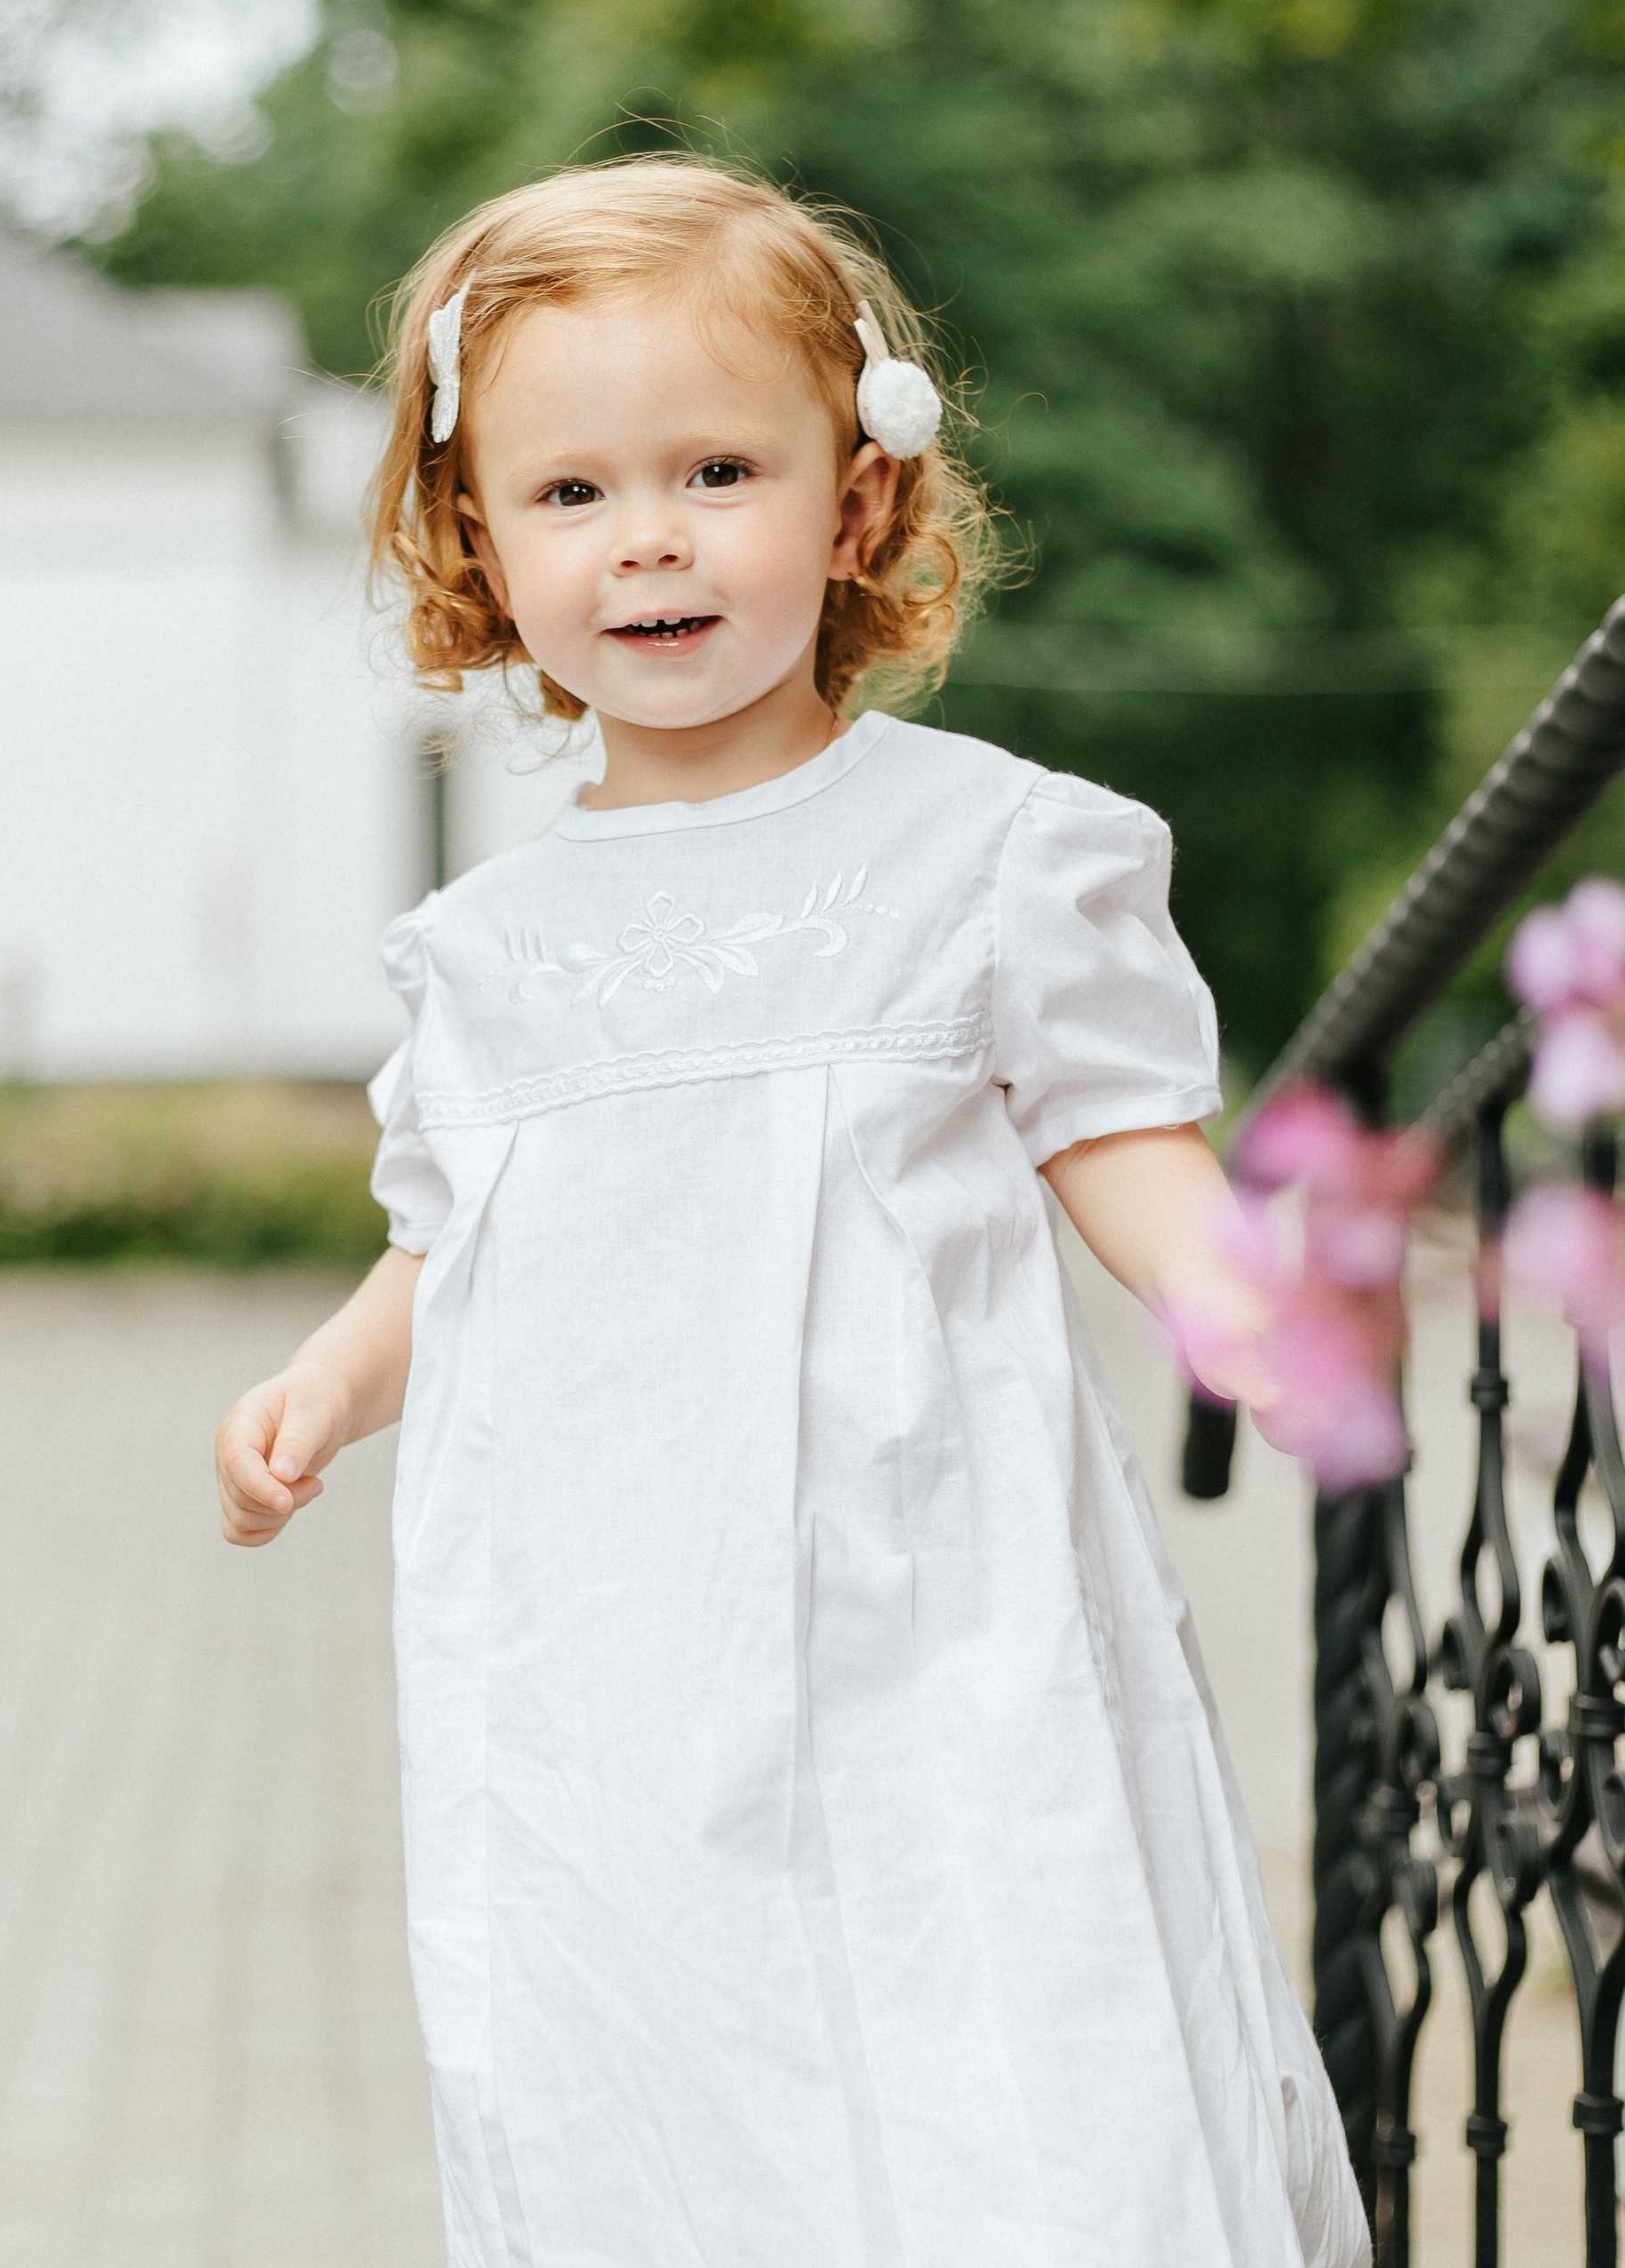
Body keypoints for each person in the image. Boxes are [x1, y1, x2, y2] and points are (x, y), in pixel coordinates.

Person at [212, 157, 1369, 2268]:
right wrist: (325, 1376)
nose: (645, 536)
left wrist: (1248, 1314)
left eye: (716, 468)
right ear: (479, 540)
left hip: (934, 1613)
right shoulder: (485, 950)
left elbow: (1117, 1130)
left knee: (1002, 2042)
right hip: (610, 1661)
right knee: (675, 2080)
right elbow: (443, 1236)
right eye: (568, 493)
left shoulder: (982, 851)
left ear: (852, 503)